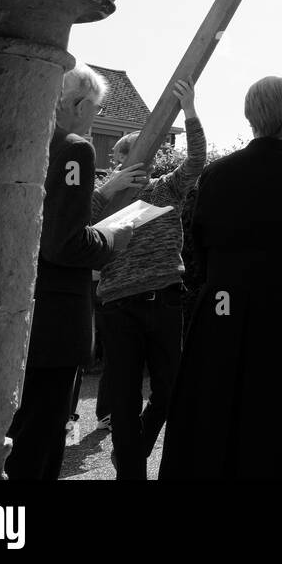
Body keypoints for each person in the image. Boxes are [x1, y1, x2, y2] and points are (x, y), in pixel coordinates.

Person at [159, 76, 282, 479]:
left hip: (225, 310)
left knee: (220, 413)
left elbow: (198, 250)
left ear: (249, 114)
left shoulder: (216, 175)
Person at [6, 65, 133, 480]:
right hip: (54, 321)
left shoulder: (20, 137)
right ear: (79, 105)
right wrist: (111, 240)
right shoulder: (76, 148)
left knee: (8, 432)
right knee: (40, 439)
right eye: (94, 111)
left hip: (9, 309)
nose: (93, 121)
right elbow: (65, 242)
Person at [88, 77, 206, 479]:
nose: (138, 163)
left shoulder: (166, 191)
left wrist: (189, 110)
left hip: (164, 301)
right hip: (118, 307)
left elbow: (196, 163)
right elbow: (75, 226)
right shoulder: (103, 197)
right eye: (127, 156)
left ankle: (133, 451)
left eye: (145, 156)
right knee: (122, 399)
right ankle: (132, 473)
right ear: (119, 160)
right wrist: (110, 187)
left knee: (170, 391)